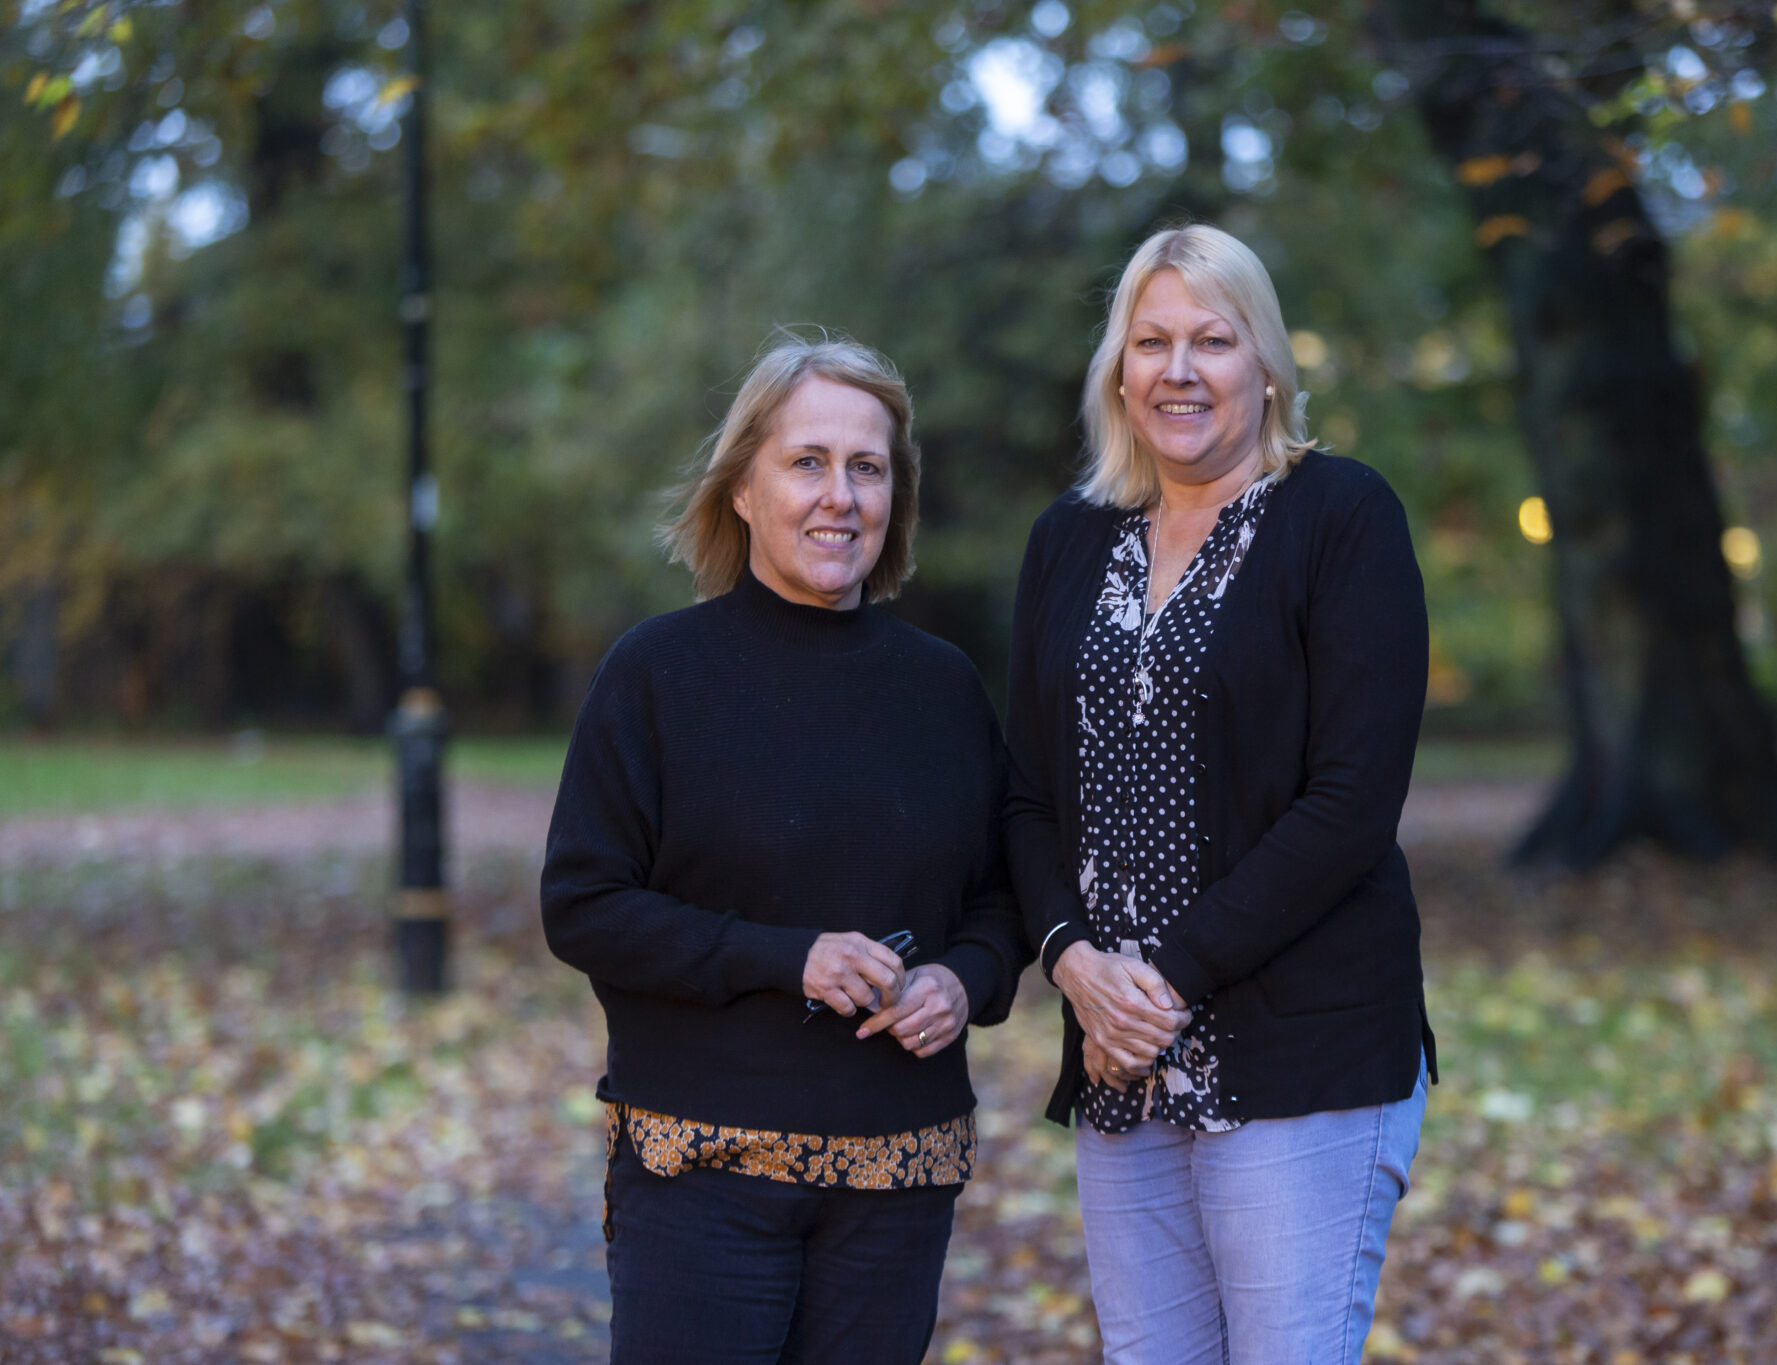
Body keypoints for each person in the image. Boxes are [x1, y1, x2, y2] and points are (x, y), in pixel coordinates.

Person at [542, 332, 1025, 1365]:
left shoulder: (941, 689)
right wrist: (785, 957)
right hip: (702, 1173)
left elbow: (999, 900)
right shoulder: (658, 675)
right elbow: (583, 903)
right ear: (744, 490)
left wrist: (963, 978)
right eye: (806, 462)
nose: (837, 496)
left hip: (897, 1179)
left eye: (866, 468)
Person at [1004, 224, 1437, 1364]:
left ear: (1267, 366)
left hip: (1299, 1051)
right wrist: (1072, 964)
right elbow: (1025, 796)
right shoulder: (1068, 541)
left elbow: (1348, 802)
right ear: (1117, 372)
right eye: (1151, 342)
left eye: (1212, 339)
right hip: (1118, 1059)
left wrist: (1163, 982)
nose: (1179, 370)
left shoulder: (1339, 517)